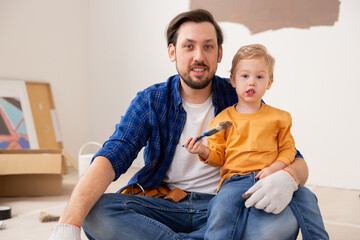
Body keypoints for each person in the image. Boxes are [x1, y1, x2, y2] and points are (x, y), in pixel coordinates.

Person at [50, 9, 327, 240]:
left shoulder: (240, 94)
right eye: (188, 46)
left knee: (283, 222)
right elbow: (114, 154)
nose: (198, 56)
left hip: (228, 205)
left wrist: (289, 177)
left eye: (208, 46)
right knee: (96, 212)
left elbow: (295, 159)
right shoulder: (152, 100)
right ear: (172, 52)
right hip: (164, 204)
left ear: (219, 54)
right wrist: (68, 222)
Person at [184, 44, 328, 239]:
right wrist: (202, 150)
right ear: (233, 81)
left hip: (273, 179)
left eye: (259, 77)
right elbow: (218, 158)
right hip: (235, 182)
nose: (251, 82)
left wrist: (276, 169)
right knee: (220, 207)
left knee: (307, 196)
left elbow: (288, 150)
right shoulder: (223, 120)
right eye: (245, 76)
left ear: (269, 82)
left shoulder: (279, 118)